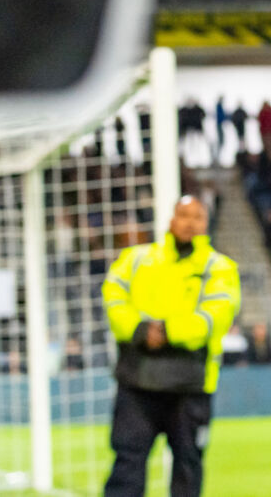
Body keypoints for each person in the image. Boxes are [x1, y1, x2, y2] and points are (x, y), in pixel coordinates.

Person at [102, 196, 241, 497]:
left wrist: (164, 332)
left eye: (197, 217)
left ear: (206, 224)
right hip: (137, 382)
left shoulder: (219, 268)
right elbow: (113, 298)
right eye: (183, 215)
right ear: (171, 220)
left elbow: (213, 318)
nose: (190, 223)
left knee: (187, 469)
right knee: (127, 465)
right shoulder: (135, 258)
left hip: (190, 386)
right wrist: (139, 330)